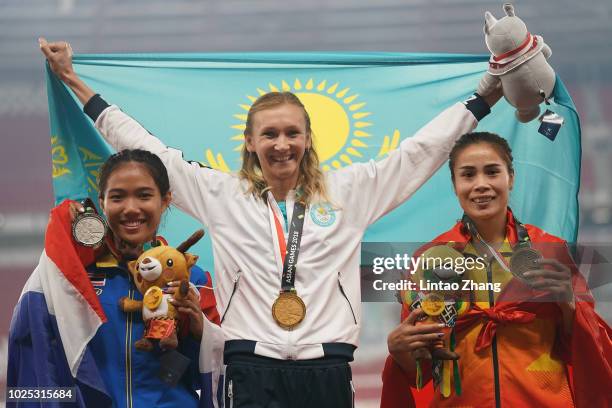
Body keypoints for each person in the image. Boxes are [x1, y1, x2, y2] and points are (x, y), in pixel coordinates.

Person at [39, 38, 502, 407]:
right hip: (250, 369)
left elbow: (419, 153)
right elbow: (148, 148)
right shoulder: (222, 195)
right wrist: (75, 82)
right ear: (251, 142)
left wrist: (485, 95)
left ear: (306, 139)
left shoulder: (351, 192)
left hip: (329, 367)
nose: (282, 144)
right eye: (270, 134)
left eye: (291, 133)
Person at [382, 132, 612, 407]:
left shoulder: (550, 249)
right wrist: (400, 352)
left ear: (510, 178)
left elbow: (587, 350)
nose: (481, 185)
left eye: (492, 172)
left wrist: (570, 307)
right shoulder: (430, 259)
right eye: (468, 175)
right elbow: (421, 366)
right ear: (455, 185)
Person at [8, 149, 220, 407]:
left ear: (165, 201)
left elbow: (208, 378)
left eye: (144, 195)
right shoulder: (71, 278)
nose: (131, 209)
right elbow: (36, 353)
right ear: (102, 202)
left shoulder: (191, 278)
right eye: (118, 197)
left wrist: (199, 330)